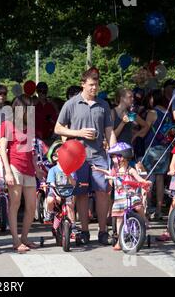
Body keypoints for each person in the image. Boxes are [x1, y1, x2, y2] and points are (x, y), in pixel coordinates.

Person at [55, 67, 118, 246]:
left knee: (102, 192)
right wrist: (79, 133)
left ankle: (103, 231)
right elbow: (58, 128)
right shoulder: (72, 103)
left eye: (96, 85)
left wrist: (114, 155)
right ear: (83, 84)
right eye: (91, 85)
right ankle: (84, 231)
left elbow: (109, 131)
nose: (94, 88)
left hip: (98, 154)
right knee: (81, 194)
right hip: (77, 156)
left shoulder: (103, 104)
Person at [0, 94, 45, 253]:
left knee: (31, 206)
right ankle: (16, 240)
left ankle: (24, 237)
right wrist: (8, 172)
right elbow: (2, 150)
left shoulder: (29, 126)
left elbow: (32, 151)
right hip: (15, 166)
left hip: (29, 169)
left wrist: (37, 168)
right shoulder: (7, 125)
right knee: (15, 204)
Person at [92, 142, 152, 250]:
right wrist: (98, 170)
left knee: (138, 206)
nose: (113, 159)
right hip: (119, 199)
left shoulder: (131, 170)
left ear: (122, 157)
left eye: (114, 157)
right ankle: (120, 240)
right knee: (119, 219)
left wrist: (145, 182)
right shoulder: (115, 170)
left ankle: (143, 220)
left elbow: (139, 179)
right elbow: (109, 173)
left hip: (130, 196)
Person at [141, 89, 175, 220]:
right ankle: (159, 209)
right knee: (160, 180)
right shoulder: (167, 112)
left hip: (152, 147)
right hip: (164, 148)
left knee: (148, 179)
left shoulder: (152, 112)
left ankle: (148, 208)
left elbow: (146, 128)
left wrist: (136, 135)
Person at [43, 141, 77, 235]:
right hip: (56, 191)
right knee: (50, 200)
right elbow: (52, 183)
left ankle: (73, 225)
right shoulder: (53, 170)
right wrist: (56, 194)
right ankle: (50, 213)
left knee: (70, 206)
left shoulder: (71, 168)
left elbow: (74, 183)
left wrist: (69, 175)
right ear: (55, 157)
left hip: (68, 192)